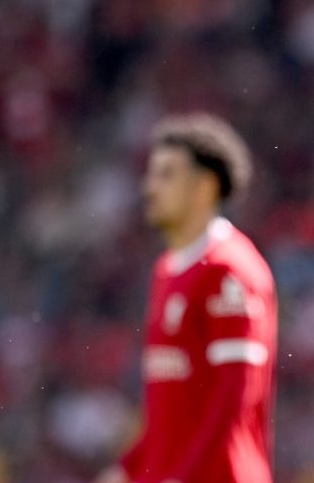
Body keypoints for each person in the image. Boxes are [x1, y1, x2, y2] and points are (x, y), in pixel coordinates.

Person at [95, 113, 278, 483]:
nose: (150, 188)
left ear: (205, 186)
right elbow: (170, 411)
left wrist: (183, 477)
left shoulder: (230, 271)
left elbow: (233, 399)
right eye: (151, 174)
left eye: (166, 174)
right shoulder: (166, 269)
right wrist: (128, 468)